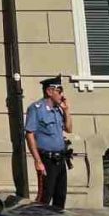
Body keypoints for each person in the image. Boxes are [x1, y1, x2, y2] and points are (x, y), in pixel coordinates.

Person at [24, 75, 73, 209]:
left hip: (60, 159)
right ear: (49, 91)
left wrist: (66, 110)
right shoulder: (36, 108)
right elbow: (29, 135)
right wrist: (38, 161)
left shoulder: (58, 109)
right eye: (59, 90)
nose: (62, 94)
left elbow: (69, 129)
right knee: (45, 197)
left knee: (60, 196)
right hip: (47, 160)